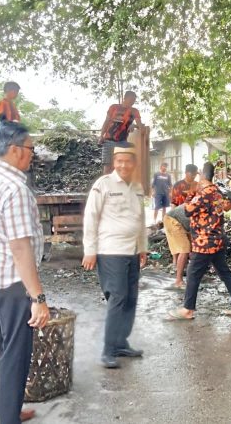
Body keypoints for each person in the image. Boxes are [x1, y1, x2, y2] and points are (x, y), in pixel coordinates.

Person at [0, 122, 49, 424]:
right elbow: (20, 249)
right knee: (16, 357)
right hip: (11, 284)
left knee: (5, 350)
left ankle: (10, 410)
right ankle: (8, 419)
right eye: (30, 148)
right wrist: (38, 297)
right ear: (15, 150)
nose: (32, 155)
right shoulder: (14, 188)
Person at [81, 143, 147, 369]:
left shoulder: (137, 187)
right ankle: (108, 349)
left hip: (131, 251)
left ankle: (120, 342)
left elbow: (140, 219)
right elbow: (91, 217)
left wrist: (143, 247)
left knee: (130, 298)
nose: (124, 165)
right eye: (120, 161)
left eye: (128, 161)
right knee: (118, 297)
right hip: (110, 251)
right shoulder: (103, 184)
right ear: (114, 162)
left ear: (134, 163)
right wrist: (90, 250)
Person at [167, 163, 231, 320]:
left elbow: (187, 210)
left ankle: (188, 309)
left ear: (202, 175)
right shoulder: (218, 192)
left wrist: (191, 194)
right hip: (217, 239)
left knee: (192, 273)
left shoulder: (203, 193)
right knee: (223, 271)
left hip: (205, 241)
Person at [99, 91, 143, 175]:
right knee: (107, 168)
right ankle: (107, 186)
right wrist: (101, 136)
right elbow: (106, 121)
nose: (132, 102)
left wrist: (134, 125)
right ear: (125, 98)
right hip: (109, 140)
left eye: (134, 101)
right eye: (130, 100)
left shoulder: (134, 111)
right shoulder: (113, 107)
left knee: (133, 154)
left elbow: (140, 126)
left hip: (122, 142)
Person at [164, 203, 191, 289]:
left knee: (187, 248)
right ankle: (178, 281)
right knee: (185, 250)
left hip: (180, 221)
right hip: (173, 220)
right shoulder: (207, 209)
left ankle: (178, 267)